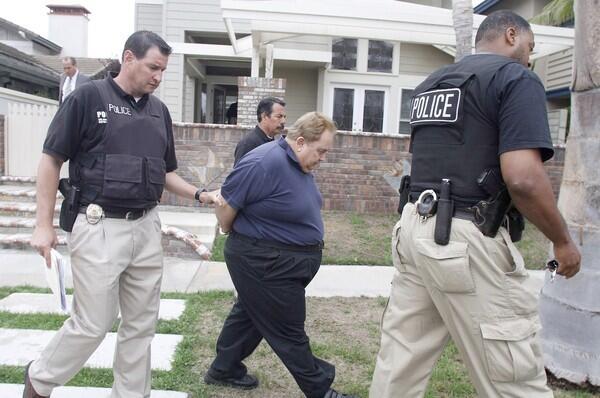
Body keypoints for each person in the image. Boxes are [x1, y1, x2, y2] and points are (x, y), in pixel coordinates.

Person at [370, 10, 581, 398]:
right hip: (465, 238)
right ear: (512, 35)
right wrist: (563, 242)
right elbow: (522, 177)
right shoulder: (515, 78)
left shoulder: (431, 83)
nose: (530, 58)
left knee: (399, 364)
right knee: (512, 377)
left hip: (413, 228)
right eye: (530, 47)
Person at [26, 31, 219, 398]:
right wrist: (42, 225)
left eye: (163, 70)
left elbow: (164, 172)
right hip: (98, 225)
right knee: (92, 324)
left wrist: (200, 194)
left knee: (141, 326)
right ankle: (39, 381)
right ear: (128, 58)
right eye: (153, 67)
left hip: (146, 228)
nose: (158, 77)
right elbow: (51, 159)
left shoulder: (158, 112)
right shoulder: (87, 97)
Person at [205, 112, 355, 398]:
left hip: (282, 260)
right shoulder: (263, 162)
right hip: (264, 261)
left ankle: (223, 368)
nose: (323, 157)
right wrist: (227, 228)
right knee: (288, 330)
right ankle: (320, 390)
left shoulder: (297, 164)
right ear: (300, 142)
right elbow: (225, 204)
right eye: (321, 150)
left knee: (251, 312)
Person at [233, 96, 286, 165]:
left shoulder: (274, 141)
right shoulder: (248, 144)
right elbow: (240, 174)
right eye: (279, 116)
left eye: (284, 117)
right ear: (264, 116)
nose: (283, 121)